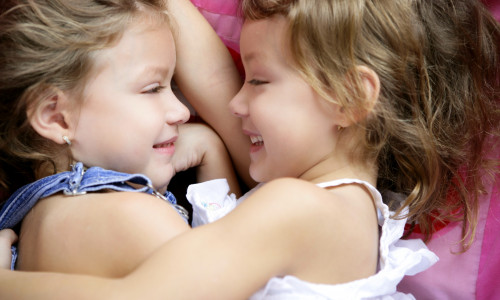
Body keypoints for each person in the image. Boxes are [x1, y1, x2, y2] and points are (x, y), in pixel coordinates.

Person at [0, 0, 499, 299]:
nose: (234, 101)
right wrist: (215, 151)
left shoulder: (298, 207)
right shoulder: (347, 208)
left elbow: (144, 295)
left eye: (257, 79)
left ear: (349, 99)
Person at [0, 0, 247, 277]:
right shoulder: (132, 217)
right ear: (56, 117)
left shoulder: (35, 222)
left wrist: (209, 148)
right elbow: (243, 282)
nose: (181, 111)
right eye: (152, 89)